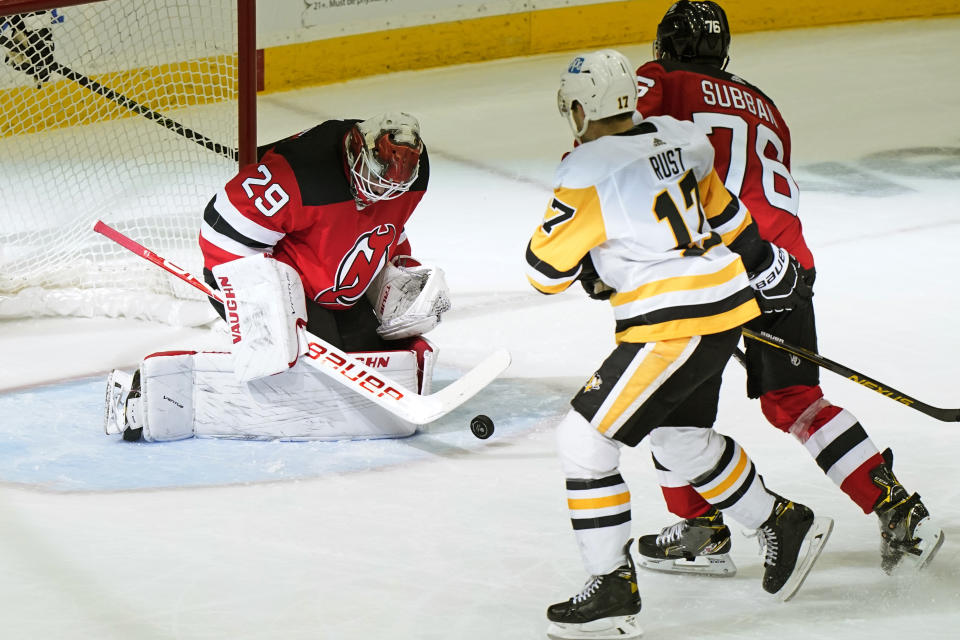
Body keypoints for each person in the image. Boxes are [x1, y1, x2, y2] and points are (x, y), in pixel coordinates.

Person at [631, 0, 943, 577]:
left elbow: (623, 136)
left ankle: (703, 528)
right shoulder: (767, 106)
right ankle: (894, 503)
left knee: (667, 406)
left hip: (716, 272)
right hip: (787, 265)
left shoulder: (663, 81)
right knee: (797, 401)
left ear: (665, 48)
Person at [528, 49, 832, 640]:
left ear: (583, 109)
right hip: (724, 311)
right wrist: (770, 267)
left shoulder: (586, 169)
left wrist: (595, 259)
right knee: (678, 438)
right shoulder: (680, 136)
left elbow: (543, 272)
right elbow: (728, 214)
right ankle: (780, 521)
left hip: (670, 327)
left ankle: (612, 588)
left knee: (583, 440)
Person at [103, 113, 451, 442]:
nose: (380, 193)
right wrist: (262, 304)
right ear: (355, 152)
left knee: (376, 365)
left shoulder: (414, 176)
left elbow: (389, 227)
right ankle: (144, 395)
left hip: (334, 291)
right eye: (373, 180)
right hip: (268, 282)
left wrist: (399, 272)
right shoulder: (302, 172)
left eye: (391, 187)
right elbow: (220, 231)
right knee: (303, 372)